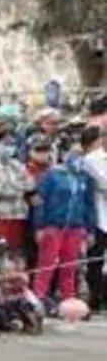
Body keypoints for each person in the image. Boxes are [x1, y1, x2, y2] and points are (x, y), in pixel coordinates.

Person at [32, 145, 97, 308]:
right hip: (53, 225)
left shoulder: (85, 178)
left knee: (70, 264)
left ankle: (68, 297)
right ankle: (39, 296)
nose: (77, 158)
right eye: (74, 154)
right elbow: (39, 201)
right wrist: (39, 226)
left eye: (81, 155)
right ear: (65, 154)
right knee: (47, 262)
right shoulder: (52, 175)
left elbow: (90, 205)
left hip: (75, 226)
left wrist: (90, 230)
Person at [80, 126, 107, 310]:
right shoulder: (92, 159)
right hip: (98, 216)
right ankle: (95, 298)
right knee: (95, 260)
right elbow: (104, 182)